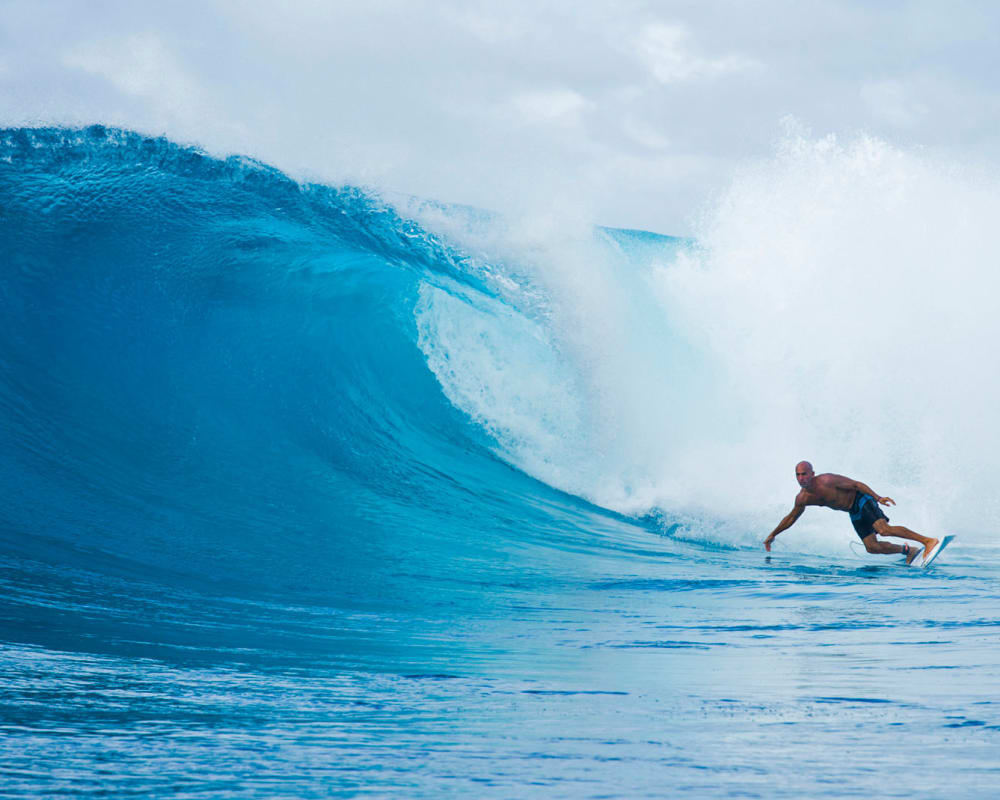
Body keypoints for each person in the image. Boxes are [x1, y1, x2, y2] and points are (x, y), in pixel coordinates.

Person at [764, 461, 938, 565]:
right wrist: (773, 534)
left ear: (812, 474)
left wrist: (877, 498)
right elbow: (791, 517)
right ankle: (909, 551)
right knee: (872, 547)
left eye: (804, 474)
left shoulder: (826, 481)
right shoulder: (802, 498)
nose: (801, 478)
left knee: (883, 529)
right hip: (852, 510)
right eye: (798, 475)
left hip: (861, 499)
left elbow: (856, 484)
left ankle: (928, 541)